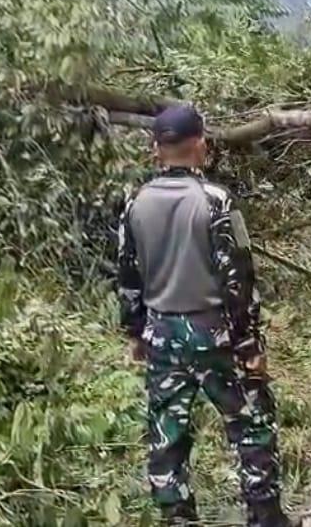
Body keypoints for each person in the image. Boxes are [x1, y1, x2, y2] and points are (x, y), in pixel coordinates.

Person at [117, 105, 297, 527]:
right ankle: (265, 517)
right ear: (200, 144)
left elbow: (127, 273)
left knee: (167, 431)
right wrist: (250, 344)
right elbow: (238, 277)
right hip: (213, 333)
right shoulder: (216, 200)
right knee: (251, 422)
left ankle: (177, 517)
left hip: (162, 331)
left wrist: (135, 332)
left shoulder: (135, 203)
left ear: (156, 149)